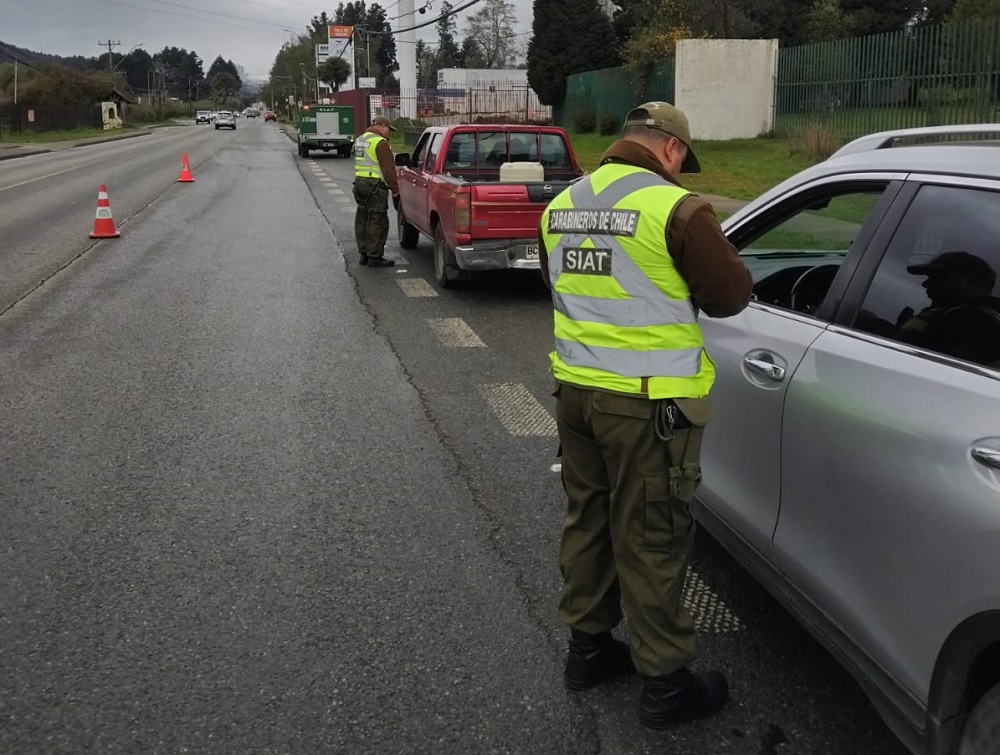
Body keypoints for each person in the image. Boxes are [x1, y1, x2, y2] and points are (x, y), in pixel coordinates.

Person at [537, 101, 752, 729]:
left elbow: (563, 287)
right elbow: (731, 296)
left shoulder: (562, 206)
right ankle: (665, 684)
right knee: (652, 533)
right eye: (683, 159)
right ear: (673, 149)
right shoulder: (678, 209)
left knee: (589, 520)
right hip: (647, 405)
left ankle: (589, 651)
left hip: (575, 394)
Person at [897, 251, 1000, 365]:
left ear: (971, 283)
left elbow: (924, 366)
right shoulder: (956, 317)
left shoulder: (971, 324)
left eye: (937, 278)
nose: (925, 284)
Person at [353, 115, 400, 268]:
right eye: (388, 129)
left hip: (359, 183)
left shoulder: (360, 139)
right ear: (381, 126)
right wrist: (395, 189)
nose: (389, 132)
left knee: (362, 218)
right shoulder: (380, 143)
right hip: (374, 186)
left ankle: (364, 254)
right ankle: (375, 256)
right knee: (377, 220)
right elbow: (388, 170)